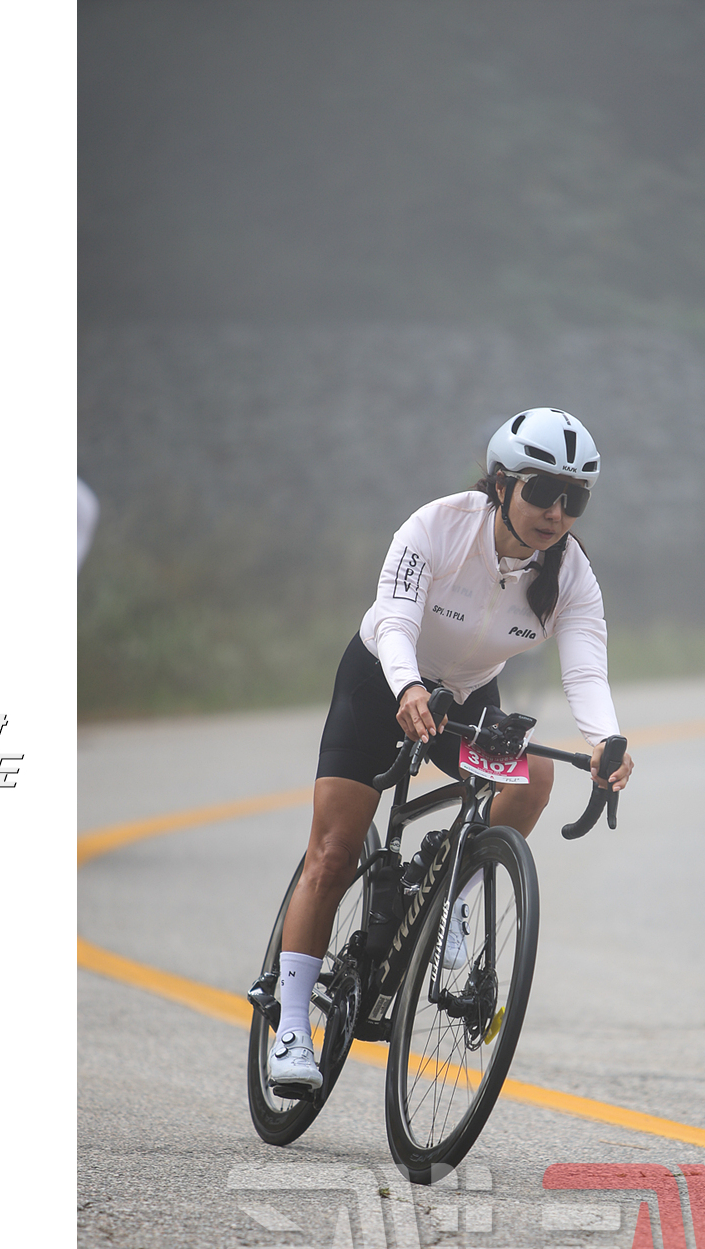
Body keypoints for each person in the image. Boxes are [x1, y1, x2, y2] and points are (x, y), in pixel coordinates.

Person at [271, 408, 636, 1088]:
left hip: (464, 699)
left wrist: (606, 741)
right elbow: (395, 617)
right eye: (542, 491)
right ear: (500, 483)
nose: (556, 512)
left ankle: (455, 893)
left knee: (533, 779)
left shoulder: (571, 574)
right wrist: (408, 687)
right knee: (334, 852)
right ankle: (291, 1027)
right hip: (381, 681)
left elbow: (586, 671)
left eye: (574, 499)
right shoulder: (436, 526)